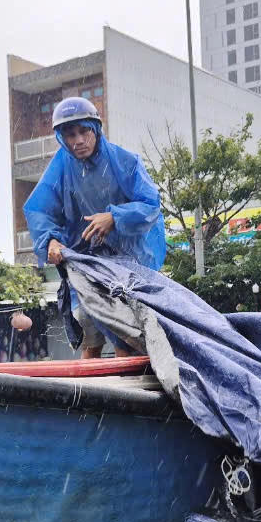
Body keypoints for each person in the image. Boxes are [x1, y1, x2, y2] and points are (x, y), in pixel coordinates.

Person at [23, 97, 166, 358]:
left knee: (126, 340)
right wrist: (50, 240)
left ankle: (131, 382)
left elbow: (150, 205)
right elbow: (41, 210)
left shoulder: (125, 162)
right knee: (89, 336)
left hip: (128, 264)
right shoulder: (60, 167)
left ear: (96, 130)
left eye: (84, 132)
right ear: (62, 138)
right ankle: (91, 385)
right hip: (85, 265)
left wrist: (114, 218)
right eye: (70, 134)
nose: (78, 140)